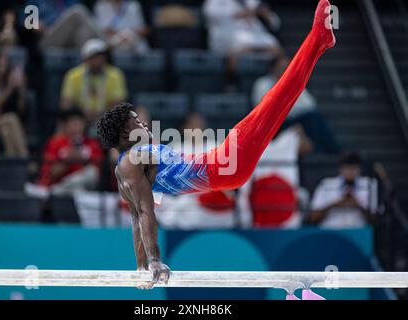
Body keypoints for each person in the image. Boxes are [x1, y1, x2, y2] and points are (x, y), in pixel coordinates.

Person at [96, 0, 335, 288]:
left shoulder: (130, 166)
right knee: (277, 97)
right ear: (125, 132)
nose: (144, 123)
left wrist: (141, 267)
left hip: (225, 170)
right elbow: (145, 213)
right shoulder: (131, 161)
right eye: (136, 121)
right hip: (222, 164)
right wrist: (155, 262)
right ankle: (318, 37)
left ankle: (320, 41)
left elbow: (137, 221)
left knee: (281, 100)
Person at [252, 55, 339, 153]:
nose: (284, 69)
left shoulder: (293, 82)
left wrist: (293, 116)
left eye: (287, 67)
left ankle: (330, 152)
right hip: (273, 123)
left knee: (315, 118)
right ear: (273, 68)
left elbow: (310, 105)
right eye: (281, 67)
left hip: (294, 120)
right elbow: (262, 107)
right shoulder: (262, 83)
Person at [25, 108, 103, 198]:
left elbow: (96, 173)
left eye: (78, 123)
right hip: (67, 186)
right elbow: (51, 172)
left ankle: (51, 192)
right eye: (72, 123)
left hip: (87, 184)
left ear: (84, 125)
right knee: (78, 189)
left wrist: (82, 159)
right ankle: (57, 190)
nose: (76, 127)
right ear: (66, 125)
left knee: (91, 172)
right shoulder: (56, 142)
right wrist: (67, 161)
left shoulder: (92, 144)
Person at [60, 38, 128, 133]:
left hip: (107, 117)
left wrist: (102, 115)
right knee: (67, 122)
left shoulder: (115, 75)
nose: (97, 60)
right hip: (81, 117)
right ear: (85, 58)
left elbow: (119, 102)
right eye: (93, 56)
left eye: (100, 56)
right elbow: (66, 103)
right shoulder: (73, 75)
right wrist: (81, 115)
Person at [308, 151, 378, 228]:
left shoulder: (369, 184)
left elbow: (376, 219)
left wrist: (358, 205)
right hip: (331, 231)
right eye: (347, 168)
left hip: (358, 233)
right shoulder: (326, 185)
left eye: (354, 168)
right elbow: (313, 217)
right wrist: (334, 204)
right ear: (341, 168)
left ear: (359, 169)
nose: (350, 172)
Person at [25, 0, 105, 48]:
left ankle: (83, 73)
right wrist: (35, 23)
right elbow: (24, 19)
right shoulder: (37, 1)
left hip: (69, 38)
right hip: (47, 38)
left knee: (84, 33)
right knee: (77, 11)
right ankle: (106, 42)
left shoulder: (70, 1)